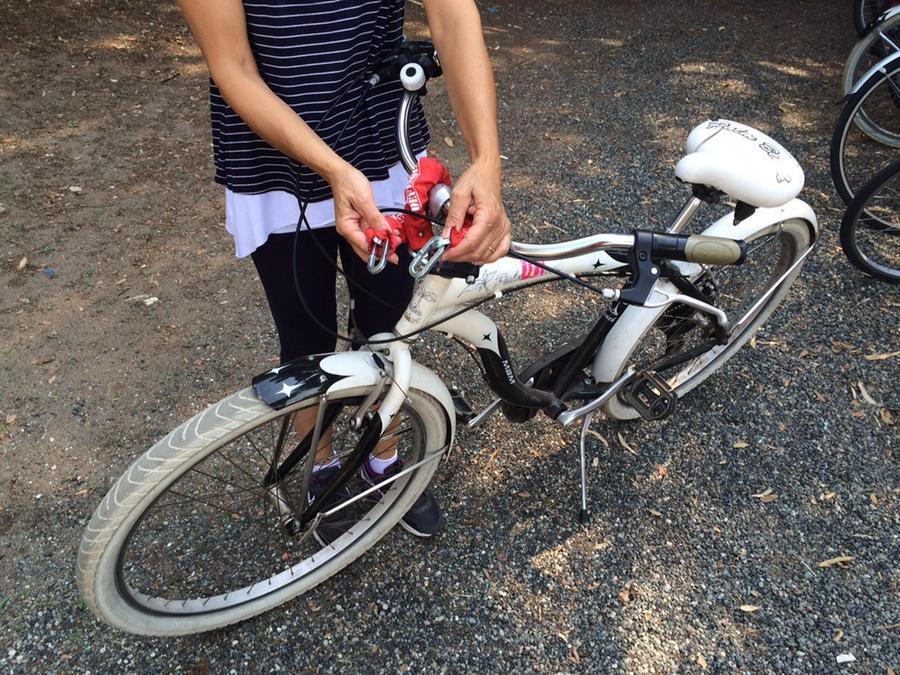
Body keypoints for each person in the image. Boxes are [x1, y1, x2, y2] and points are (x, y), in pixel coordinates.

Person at [177, 0, 511, 541]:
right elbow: (232, 66)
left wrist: (487, 162)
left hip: (382, 150)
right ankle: (322, 465)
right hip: (272, 169)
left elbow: (451, 13)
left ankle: (384, 458)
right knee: (305, 339)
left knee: (388, 324)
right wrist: (332, 169)